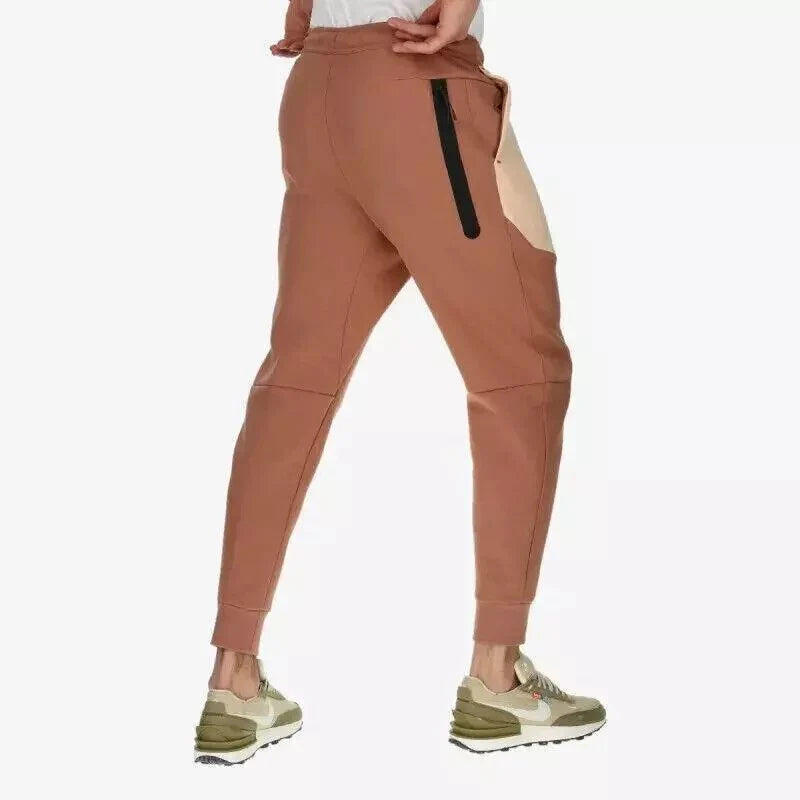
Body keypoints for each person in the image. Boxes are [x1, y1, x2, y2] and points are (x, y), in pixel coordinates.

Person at [194, 0, 605, 764]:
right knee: (524, 374)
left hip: (318, 91)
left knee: (295, 383)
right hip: (419, 87)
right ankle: (497, 676)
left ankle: (233, 678)